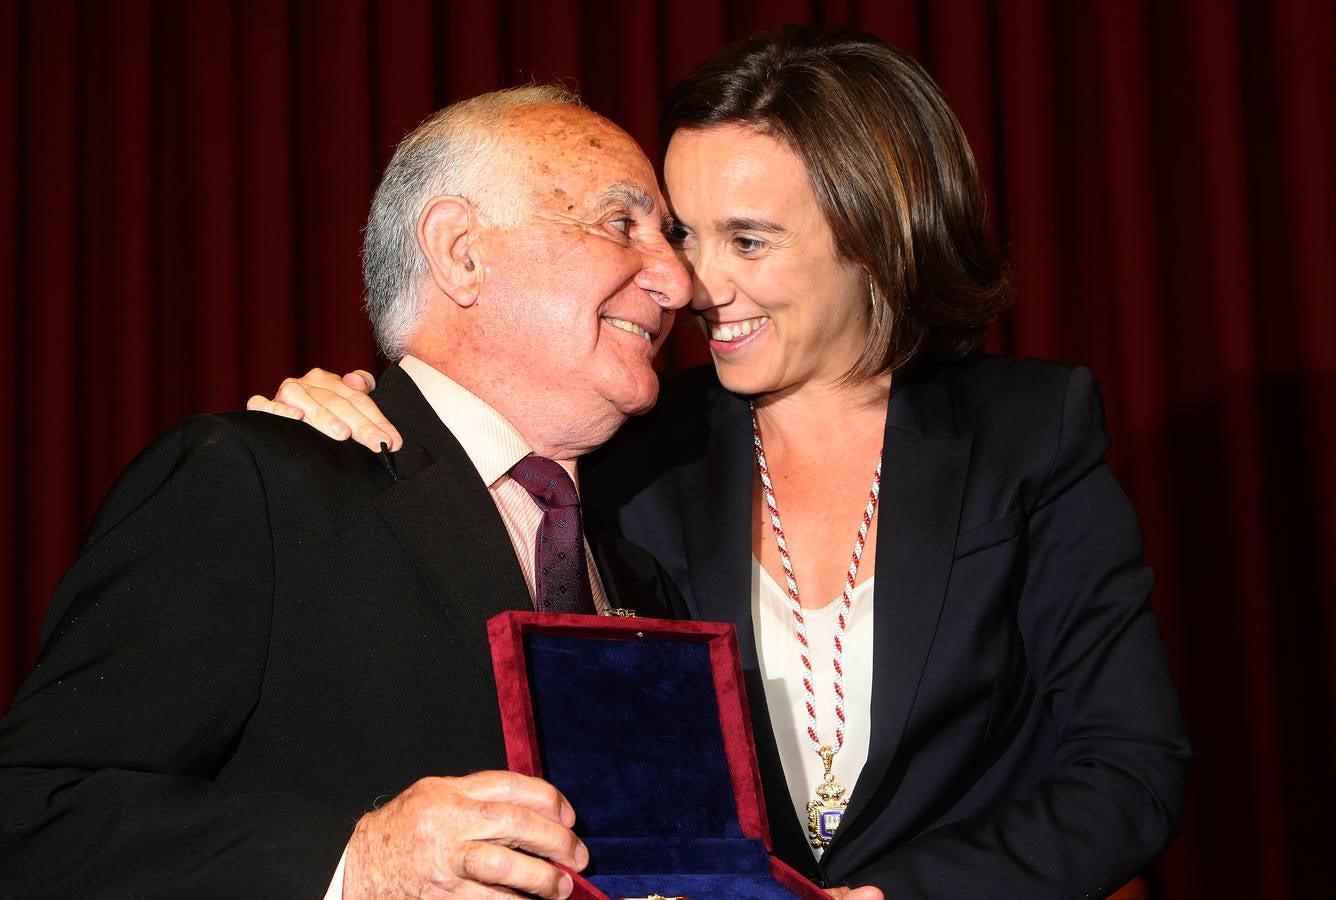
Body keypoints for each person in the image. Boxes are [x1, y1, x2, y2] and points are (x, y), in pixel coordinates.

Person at [250, 26, 1191, 900]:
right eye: (685, 236)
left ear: (874, 239)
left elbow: (1128, 770)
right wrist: (351, 415)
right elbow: (455, 469)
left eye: (748, 241)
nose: (696, 285)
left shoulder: (1029, 433)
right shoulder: (624, 453)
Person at [0, 86, 696, 899]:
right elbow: (33, 818)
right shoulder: (254, 485)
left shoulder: (637, 572)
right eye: (622, 224)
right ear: (461, 250)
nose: (677, 281)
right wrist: (356, 863)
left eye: (669, 236)